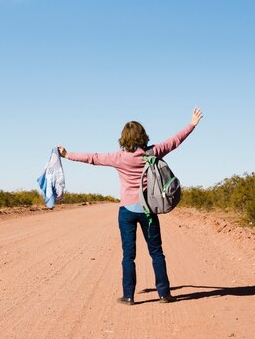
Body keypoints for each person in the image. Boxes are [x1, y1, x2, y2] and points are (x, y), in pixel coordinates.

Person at [57, 107, 203, 305]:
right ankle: (164, 294)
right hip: (148, 211)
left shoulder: (118, 157)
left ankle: (129, 296)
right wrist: (192, 124)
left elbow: (92, 158)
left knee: (128, 255)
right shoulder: (152, 152)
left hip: (127, 212)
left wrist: (67, 154)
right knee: (156, 252)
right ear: (143, 136)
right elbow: (175, 141)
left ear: (123, 139)